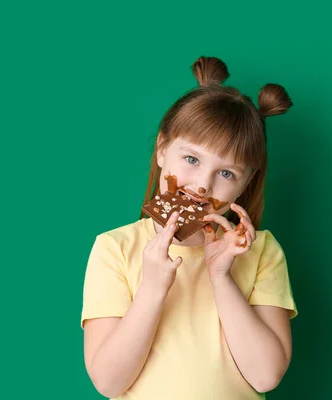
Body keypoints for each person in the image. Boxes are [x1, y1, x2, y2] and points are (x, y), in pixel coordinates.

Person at [80, 56, 298, 399]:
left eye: (226, 173)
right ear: (162, 149)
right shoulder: (115, 248)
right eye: (192, 159)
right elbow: (109, 383)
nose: (201, 185)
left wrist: (221, 276)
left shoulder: (261, 252)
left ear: (247, 182)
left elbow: (265, 376)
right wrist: (152, 288)